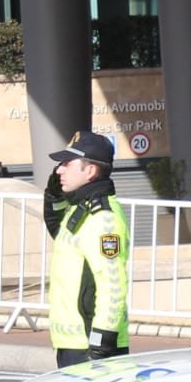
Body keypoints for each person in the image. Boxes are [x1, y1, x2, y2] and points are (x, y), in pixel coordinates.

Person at [43, 131, 130, 369]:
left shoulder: (103, 218)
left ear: (90, 171)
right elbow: (57, 230)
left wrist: (101, 344)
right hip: (73, 344)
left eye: (67, 163)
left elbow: (112, 282)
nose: (59, 170)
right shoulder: (80, 209)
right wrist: (54, 196)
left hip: (90, 346)